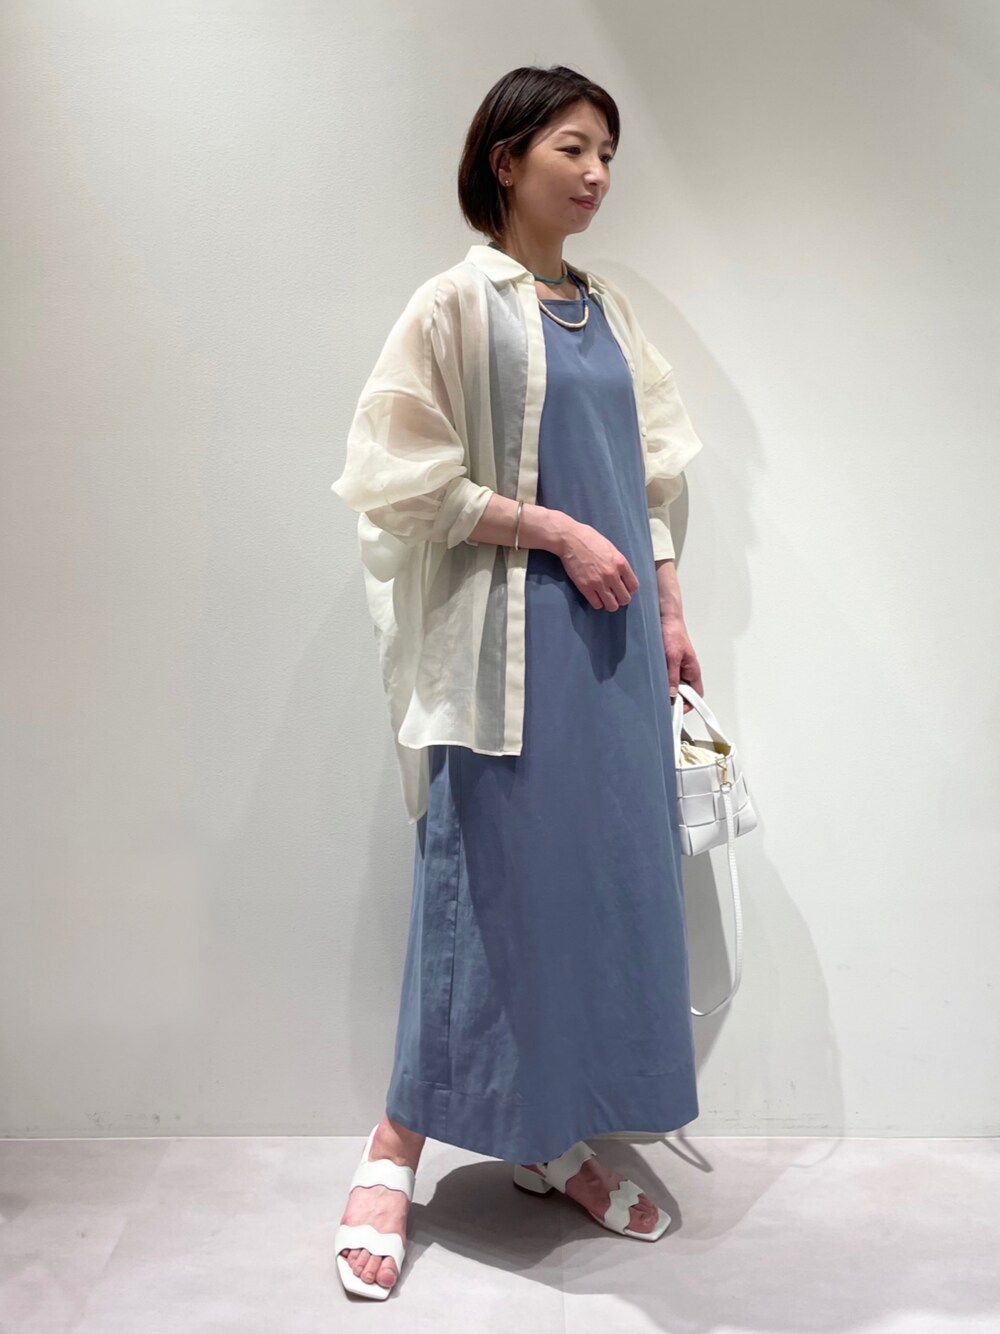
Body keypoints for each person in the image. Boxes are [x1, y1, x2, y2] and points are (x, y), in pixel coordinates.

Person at [331, 64, 706, 1299]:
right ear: (506, 160)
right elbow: (394, 476)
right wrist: (551, 530)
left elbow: (651, 469)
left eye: (607, 154)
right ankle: (394, 1144)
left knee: (594, 891)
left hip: (611, 648)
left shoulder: (607, 310)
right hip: (506, 653)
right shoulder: (454, 303)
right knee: (480, 890)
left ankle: (553, 1132)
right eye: (572, 148)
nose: (596, 174)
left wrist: (668, 607)